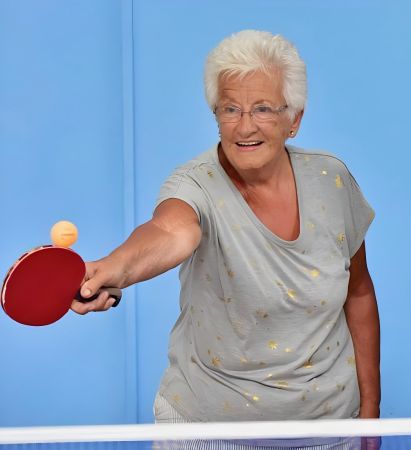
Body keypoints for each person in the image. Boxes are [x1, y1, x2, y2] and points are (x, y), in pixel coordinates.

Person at [70, 30, 380, 428]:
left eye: (264, 109)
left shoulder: (330, 178)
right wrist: (112, 268)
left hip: (329, 426)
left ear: (295, 120)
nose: (244, 127)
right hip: (209, 428)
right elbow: (171, 232)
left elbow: (359, 290)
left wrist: (371, 413)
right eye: (230, 109)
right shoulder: (193, 185)